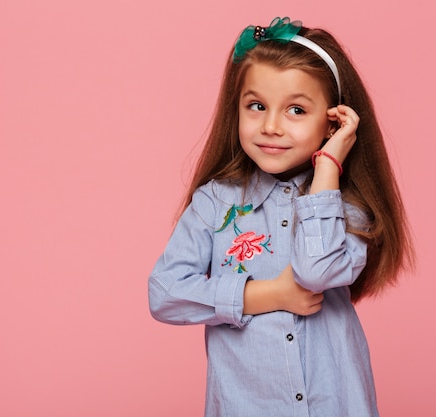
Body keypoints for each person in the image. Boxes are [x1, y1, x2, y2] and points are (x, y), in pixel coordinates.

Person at [148, 16, 414, 417]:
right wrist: (266, 295)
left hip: (336, 402)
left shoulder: (345, 206)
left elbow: (318, 273)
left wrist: (328, 168)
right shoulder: (215, 204)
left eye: (295, 110)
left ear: (334, 122)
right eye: (256, 106)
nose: (270, 126)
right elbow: (164, 293)